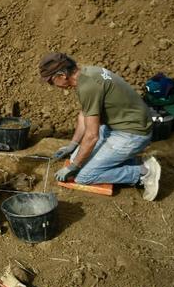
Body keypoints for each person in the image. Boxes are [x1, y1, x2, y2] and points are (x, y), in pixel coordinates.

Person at [39, 52, 161, 201]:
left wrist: (73, 167)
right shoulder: (87, 74)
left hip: (133, 133)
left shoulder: (88, 87)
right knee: (75, 158)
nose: (51, 85)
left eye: (51, 81)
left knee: (83, 175)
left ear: (62, 75)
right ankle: (133, 161)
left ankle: (143, 173)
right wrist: (72, 145)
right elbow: (84, 115)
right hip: (119, 126)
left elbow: (92, 136)